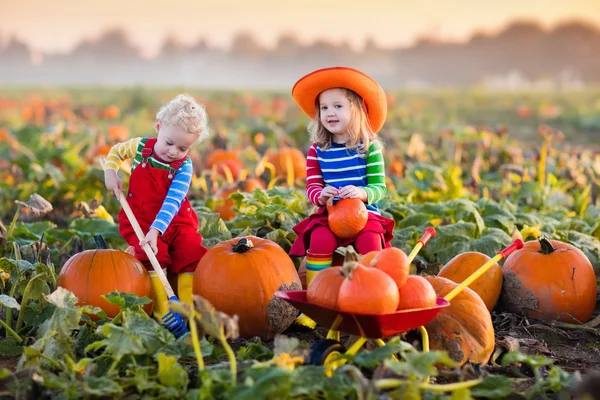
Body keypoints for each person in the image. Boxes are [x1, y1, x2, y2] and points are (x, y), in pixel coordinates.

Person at [288, 67, 395, 326]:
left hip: (365, 215)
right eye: (324, 108)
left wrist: (361, 193)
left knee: (370, 244)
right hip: (331, 214)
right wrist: (321, 196)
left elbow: (380, 188)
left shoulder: (369, 148)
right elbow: (312, 187)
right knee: (321, 241)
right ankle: (317, 302)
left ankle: (374, 299)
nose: (330, 113)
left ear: (356, 109)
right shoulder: (318, 150)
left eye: (338, 106)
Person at [103, 93, 209, 322]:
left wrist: (157, 230)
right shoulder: (141, 147)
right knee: (152, 254)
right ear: (159, 127)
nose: (173, 152)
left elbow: (172, 202)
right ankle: (163, 311)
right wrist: (110, 173)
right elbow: (116, 152)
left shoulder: (184, 167)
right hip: (141, 219)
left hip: (174, 220)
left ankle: (188, 308)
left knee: (190, 248)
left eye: (183, 148)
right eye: (169, 143)